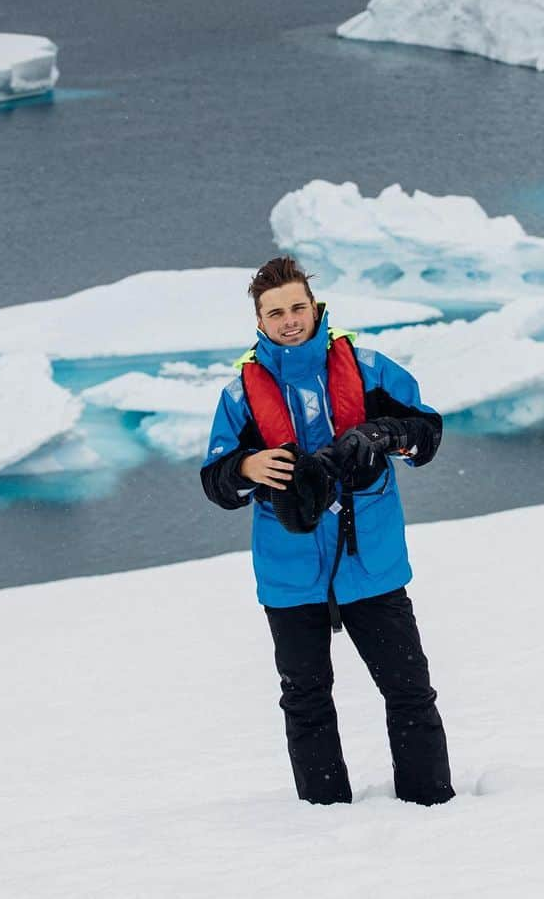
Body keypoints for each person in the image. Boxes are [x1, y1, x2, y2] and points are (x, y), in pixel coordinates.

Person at [200, 255, 454, 807]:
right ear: (260, 323)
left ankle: (432, 805)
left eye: (297, 307)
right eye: (275, 313)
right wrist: (245, 468)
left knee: (408, 690)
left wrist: (383, 435)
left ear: (315, 309)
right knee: (306, 698)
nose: (289, 320)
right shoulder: (240, 397)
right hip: (290, 571)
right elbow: (215, 480)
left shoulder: (368, 368)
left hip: (373, 562)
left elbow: (427, 433)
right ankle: (323, 820)